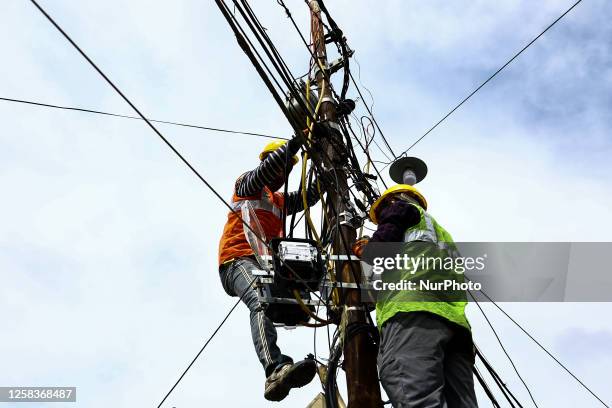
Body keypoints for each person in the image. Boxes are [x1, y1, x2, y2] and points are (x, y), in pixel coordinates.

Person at [354, 184, 478, 408]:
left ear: (395, 200)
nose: (381, 217)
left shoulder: (399, 209)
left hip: (412, 315)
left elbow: (377, 253)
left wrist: (366, 251)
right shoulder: (441, 233)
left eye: (381, 212)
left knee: (416, 397)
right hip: (456, 326)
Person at [218, 138, 320, 402]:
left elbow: (311, 196)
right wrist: (297, 142)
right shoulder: (246, 184)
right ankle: (275, 370)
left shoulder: (280, 200)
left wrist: (323, 156)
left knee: (281, 296)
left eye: (287, 170)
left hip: (266, 267)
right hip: (236, 260)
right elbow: (265, 172)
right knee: (260, 302)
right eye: (280, 167)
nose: (282, 174)